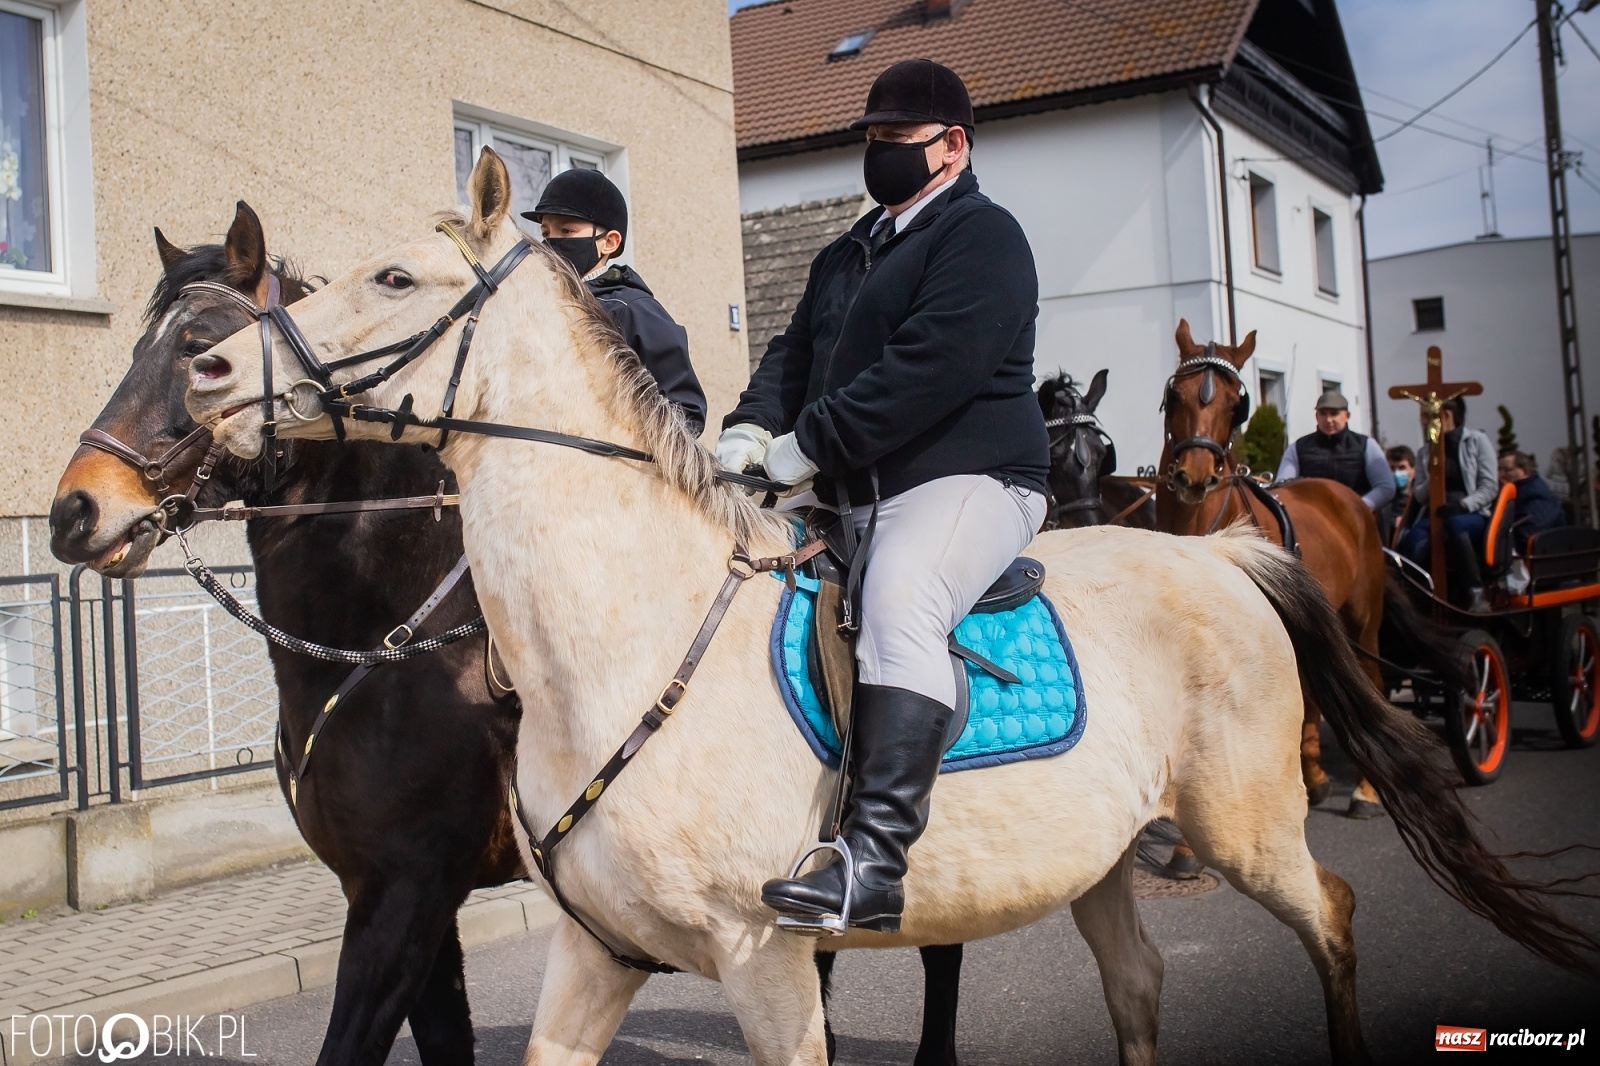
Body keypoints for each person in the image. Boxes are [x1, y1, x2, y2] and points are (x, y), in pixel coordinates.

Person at [716, 59, 1048, 933]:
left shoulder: (985, 237)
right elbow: (793, 356)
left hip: (968, 481)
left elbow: (928, 372)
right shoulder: (849, 249)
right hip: (850, 488)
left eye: (894, 142)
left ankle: (873, 861)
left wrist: (808, 446)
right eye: (870, 142)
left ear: (951, 147)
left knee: (902, 601)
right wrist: (749, 431)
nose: (877, 155)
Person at [524, 170, 708, 434]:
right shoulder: (542, 304)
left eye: (566, 230)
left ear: (609, 242)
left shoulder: (633, 309)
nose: (550, 243)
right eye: (545, 232)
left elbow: (686, 411)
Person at [1398, 397, 1498, 609]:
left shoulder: (1477, 441)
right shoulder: (1425, 451)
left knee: (1455, 525)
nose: (1423, 422)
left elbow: (1490, 487)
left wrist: (1463, 505)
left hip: (1470, 513)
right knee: (1412, 541)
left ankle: (1476, 592)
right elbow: (1421, 496)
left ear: (1446, 415)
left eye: (1427, 416)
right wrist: (1434, 471)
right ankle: (1410, 598)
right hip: (1435, 513)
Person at [1275, 389, 1395, 513]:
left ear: (1347, 416)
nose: (1328, 420)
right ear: (1316, 416)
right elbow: (1282, 487)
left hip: (1356, 522)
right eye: (1323, 413)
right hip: (1312, 519)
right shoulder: (1298, 447)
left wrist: (1358, 507)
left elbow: (1385, 487)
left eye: (1334, 413)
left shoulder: (1366, 445)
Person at [1498, 450, 1564, 551]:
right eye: (1499, 470)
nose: (1500, 475)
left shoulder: (1536, 495)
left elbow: (1529, 532)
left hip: (1545, 557)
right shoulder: (1515, 492)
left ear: (1525, 471)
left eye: (1507, 470)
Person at [1378, 444, 1415, 545]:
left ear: (1413, 470)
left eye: (1402, 467)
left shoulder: (1419, 496)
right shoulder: (1383, 497)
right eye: (1392, 468)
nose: (1397, 472)